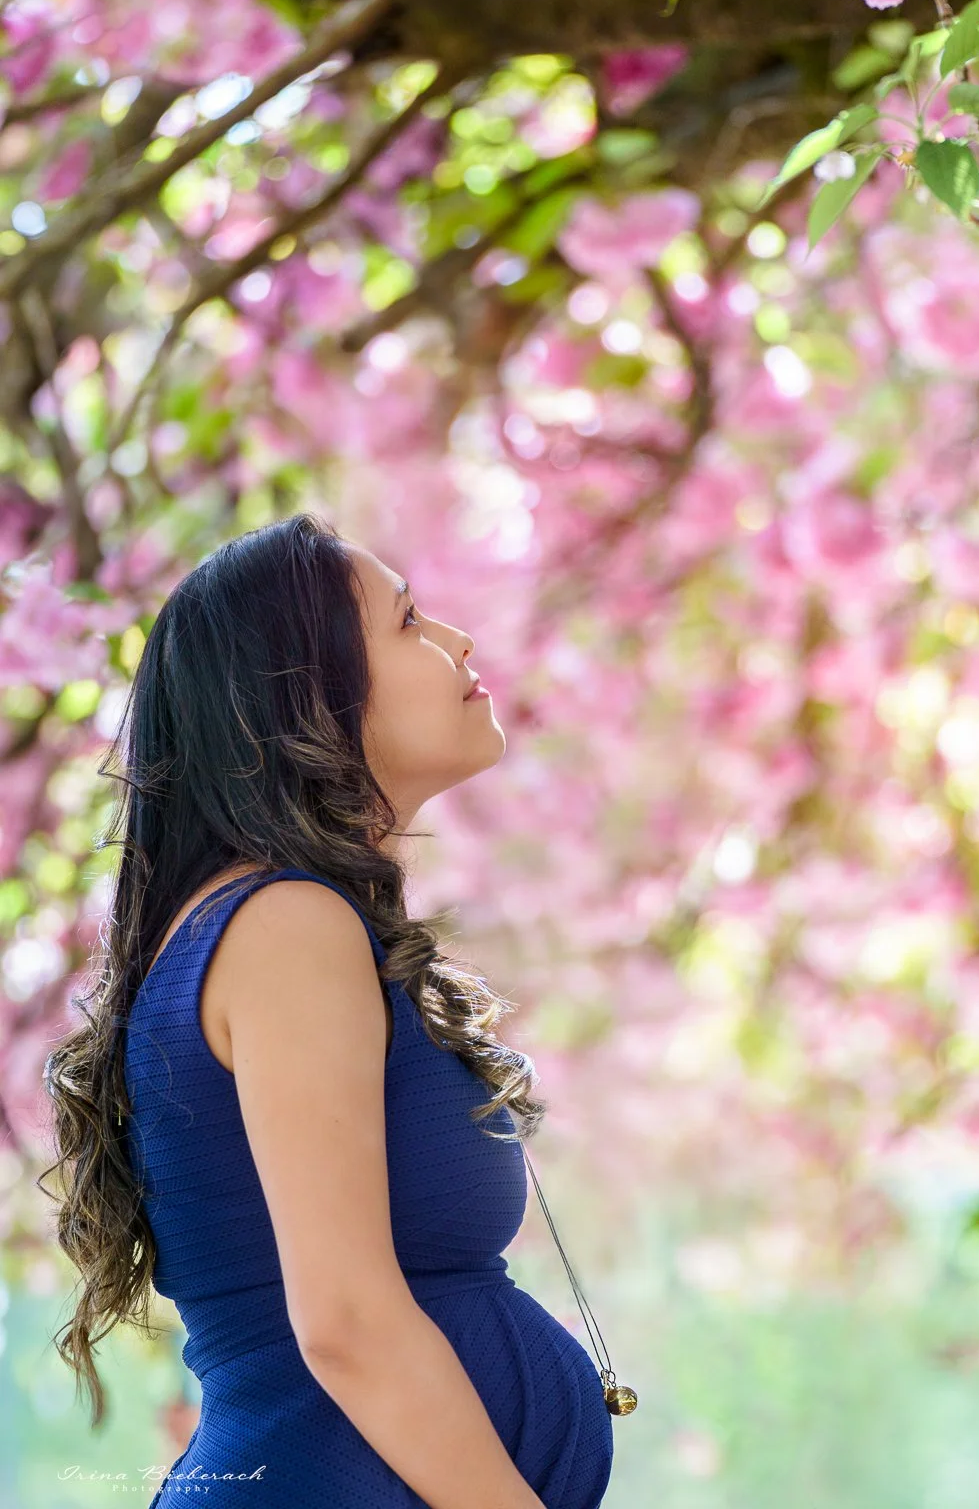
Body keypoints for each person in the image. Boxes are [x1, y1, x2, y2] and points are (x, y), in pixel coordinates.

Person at [40, 512, 614, 1508]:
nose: (458, 639)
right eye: (409, 622)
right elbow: (346, 1325)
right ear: (305, 691)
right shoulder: (285, 925)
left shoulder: (291, 923)